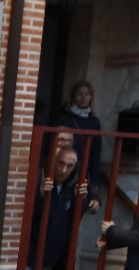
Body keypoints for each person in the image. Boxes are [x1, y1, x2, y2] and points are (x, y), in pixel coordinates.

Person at [19, 145, 89, 270]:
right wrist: (40, 194)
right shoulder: (40, 179)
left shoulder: (71, 188)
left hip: (49, 248)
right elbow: (29, 213)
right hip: (31, 244)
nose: (64, 170)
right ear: (54, 161)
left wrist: (81, 199)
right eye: (61, 163)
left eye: (69, 166)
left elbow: (74, 218)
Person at [55, 80, 106, 211]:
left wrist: (94, 183)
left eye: (87, 94)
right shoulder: (63, 118)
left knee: (77, 210)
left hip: (82, 173)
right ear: (73, 96)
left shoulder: (94, 122)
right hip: (62, 169)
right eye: (79, 94)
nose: (84, 98)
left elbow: (96, 152)